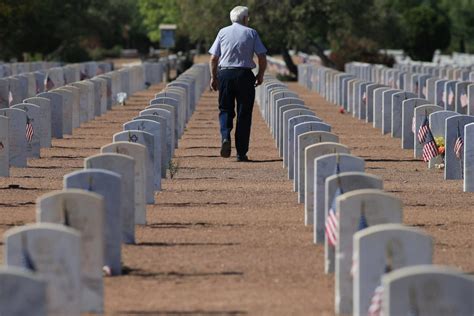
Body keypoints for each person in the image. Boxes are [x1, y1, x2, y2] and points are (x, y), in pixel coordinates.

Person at [208, 5, 267, 162]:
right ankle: (241, 153)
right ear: (245, 18)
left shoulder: (222, 32)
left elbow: (214, 58)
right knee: (244, 114)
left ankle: (225, 136)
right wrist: (260, 74)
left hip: (226, 74)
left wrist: (214, 77)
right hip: (244, 75)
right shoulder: (251, 33)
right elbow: (262, 56)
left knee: (225, 109)